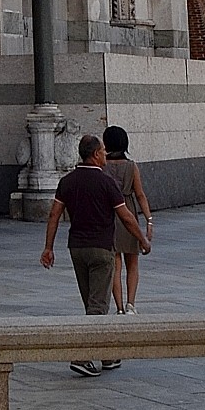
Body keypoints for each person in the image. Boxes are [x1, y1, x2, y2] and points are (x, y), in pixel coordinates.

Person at [40, 132, 151, 375]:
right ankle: (82, 357)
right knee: (98, 306)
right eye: (101, 152)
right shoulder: (106, 183)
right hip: (101, 249)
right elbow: (125, 217)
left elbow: (54, 215)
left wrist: (48, 247)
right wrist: (142, 239)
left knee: (92, 302)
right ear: (94, 155)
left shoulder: (67, 182)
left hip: (77, 249)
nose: (104, 155)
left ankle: (107, 355)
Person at [101, 126, 153, 311]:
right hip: (128, 212)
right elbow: (140, 194)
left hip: (108, 213)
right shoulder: (131, 166)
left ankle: (119, 307)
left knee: (115, 263)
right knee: (132, 261)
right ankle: (131, 304)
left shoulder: (102, 166)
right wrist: (148, 219)